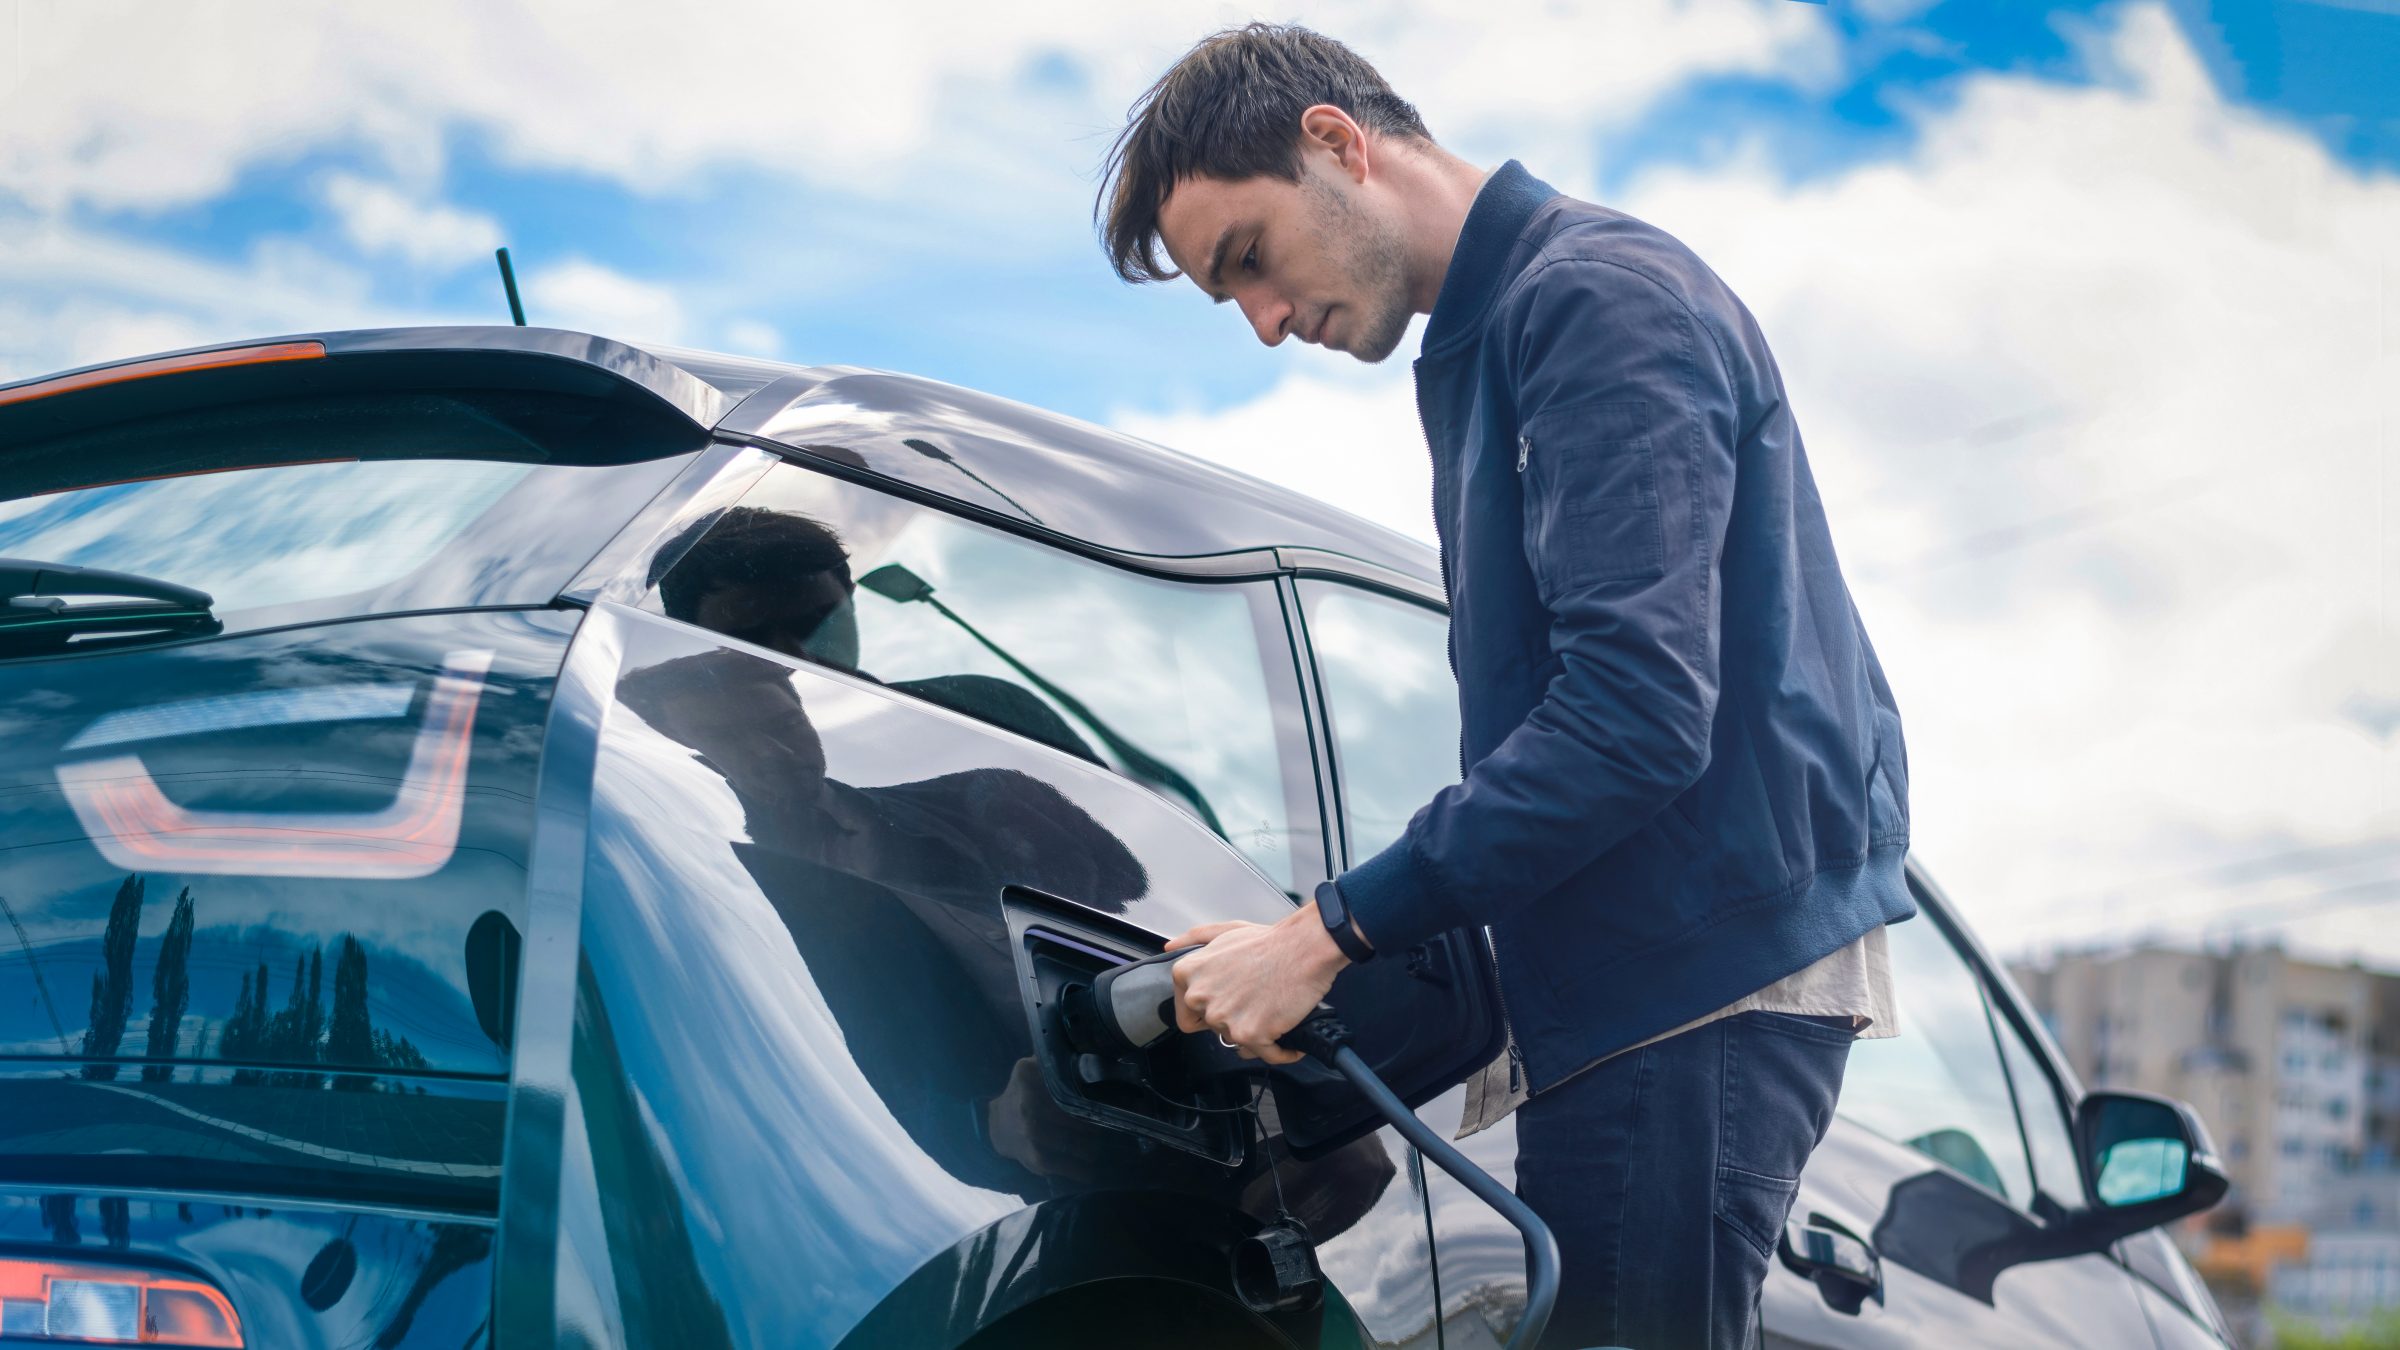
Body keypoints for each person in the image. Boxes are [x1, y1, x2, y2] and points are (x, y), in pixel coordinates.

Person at [1095, 25, 1916, 1348]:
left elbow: (1632, 720)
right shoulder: (1500, 339)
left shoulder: (1595, 303)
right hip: (1645, 979)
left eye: (1249, 257)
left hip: (1687, 987)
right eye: (1223, 297)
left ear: (1336, 143)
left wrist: (1322, 936)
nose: (1261, 323)